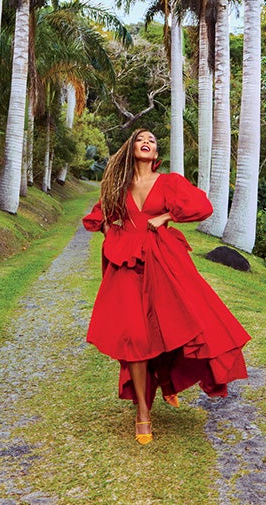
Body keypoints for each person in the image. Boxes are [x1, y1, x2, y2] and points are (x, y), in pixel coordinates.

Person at [82, 127, 250, 444]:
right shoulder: (118, 185)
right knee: (134, 337)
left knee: (176, 325)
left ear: (156, 155)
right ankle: (143, 413)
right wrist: (112, 234)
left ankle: (167, 379)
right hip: (127, 263)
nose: (146, 143)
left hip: (164, 260)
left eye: (152, 141)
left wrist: (166, 216)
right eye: (140, 140)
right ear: (131, 148)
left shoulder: (169, 182)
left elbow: (203, 207)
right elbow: (99, 216)